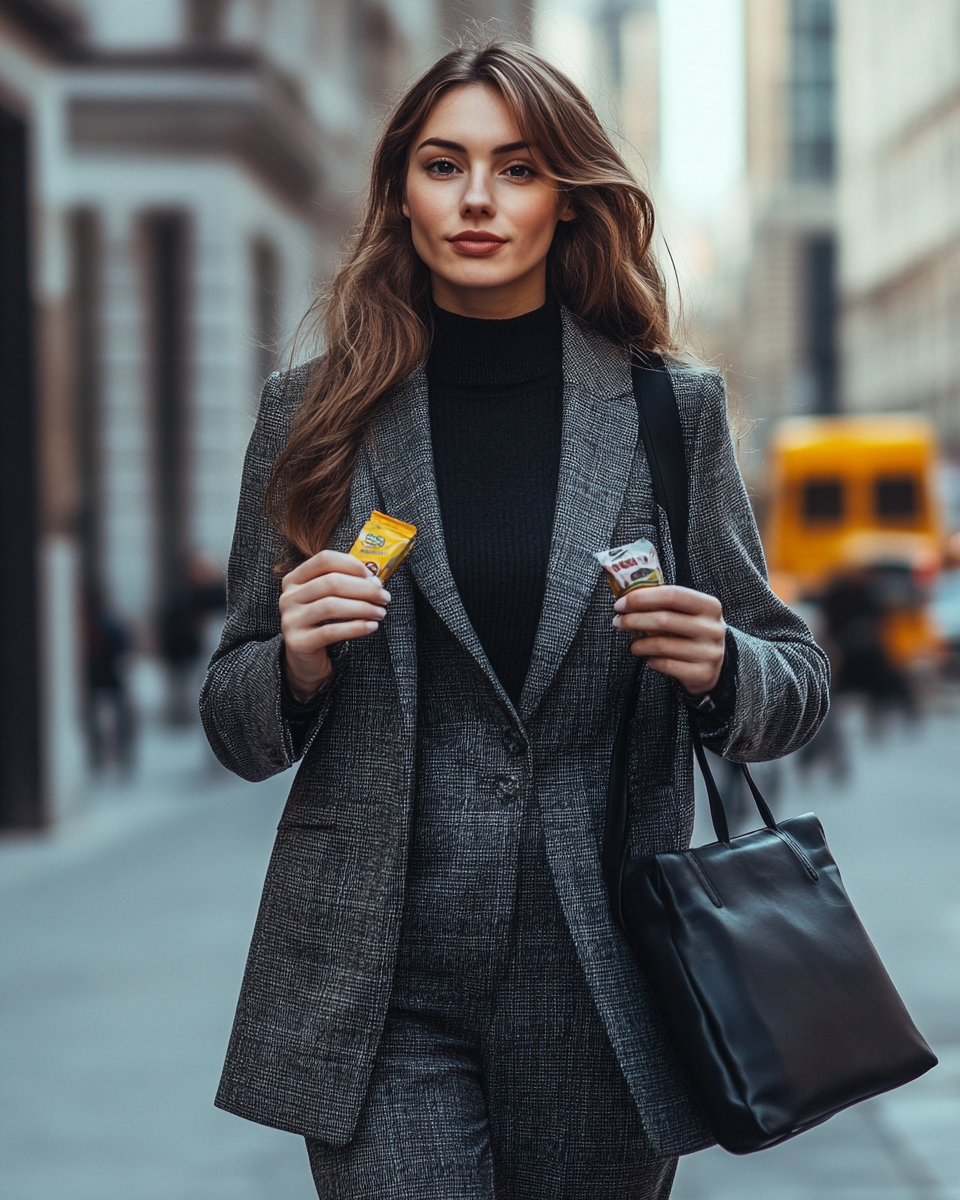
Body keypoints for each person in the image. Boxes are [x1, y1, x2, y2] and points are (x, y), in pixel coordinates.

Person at [201, 42, 829, 1200]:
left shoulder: (664, 410)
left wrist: (724, 666)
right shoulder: (313, 416)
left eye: (519, 168)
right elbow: (237, 725)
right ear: (401, 189)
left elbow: (794, 678)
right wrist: (288, 662)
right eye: (446, 165)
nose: (479, 199)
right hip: (374, 981)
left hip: (606, 975)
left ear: (566, 198)